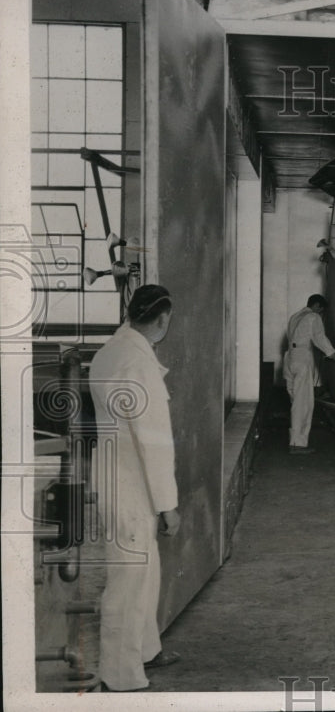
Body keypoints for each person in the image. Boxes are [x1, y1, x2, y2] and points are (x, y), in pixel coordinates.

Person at [89, 284, 181, 691]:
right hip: (133, 483)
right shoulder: (139, 365)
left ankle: (146, 650)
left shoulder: (111, 351)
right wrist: (168, 506)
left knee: (146, 569)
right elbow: (154, 443)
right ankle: (120, 676)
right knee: (128, 580)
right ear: (162, 319)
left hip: (114, 475)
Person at [284, 294, 335, 454]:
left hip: (289, 358)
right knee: (303, 403)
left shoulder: (295, 316)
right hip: (302, 358)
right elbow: (319, 337)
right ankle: (297, 445)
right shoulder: (313, 316)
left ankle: (294, 441)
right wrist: (333, 354)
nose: (321, 314)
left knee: (296, 401)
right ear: (317, 306)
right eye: (321, 310)